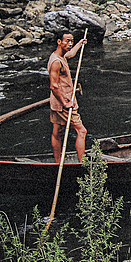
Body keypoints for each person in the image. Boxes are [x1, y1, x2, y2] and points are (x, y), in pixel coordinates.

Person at [48, 31, 88, 163]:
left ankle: (58, 162)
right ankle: (82, 164)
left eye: (71, 41)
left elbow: (70, 54)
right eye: (67, 41)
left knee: (57, 131)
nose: (70, 44)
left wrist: (79, 44)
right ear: (59, 41)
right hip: (64, 102)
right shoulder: (55, 62)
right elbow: (53, 86)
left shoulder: (60, 56)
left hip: (57, 102)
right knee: (81, 131)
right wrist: (65, 103)